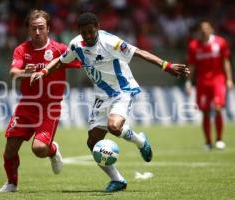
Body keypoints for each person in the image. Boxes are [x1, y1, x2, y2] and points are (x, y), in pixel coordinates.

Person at [30, 12, 189, 192]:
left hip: (122, 90)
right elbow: (61, 60)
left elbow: (139, 52)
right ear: (80, 32)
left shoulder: (110, 42)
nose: (89, 36)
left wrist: (166, 66)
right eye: (85, 33)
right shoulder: (75, 45)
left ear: (97, 28)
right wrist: (43, 72)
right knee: (92, 143)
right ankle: (118, 180)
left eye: (92, 31)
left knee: (114, 126)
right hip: (102, 96)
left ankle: (140, 142)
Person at [0, 9, 80, 193]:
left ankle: (52, 150)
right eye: (33, 28)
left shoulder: (60, 50)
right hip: (27, 105)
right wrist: (27, 71)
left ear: (48, 28)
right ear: (28, 29)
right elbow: (13, 73)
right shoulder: (22, 50)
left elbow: (82, 62)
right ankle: (11, 183)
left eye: (41, 28)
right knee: (10, 148)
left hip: (50, 107)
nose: (37, 32)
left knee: (39, 149)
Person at [186, 20, 234, 150]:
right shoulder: (194, 46)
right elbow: (192, 65)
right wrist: (189, 82)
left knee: (218, 108)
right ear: (199, 31)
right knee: (205, 111)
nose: (204, 31)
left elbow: (225, 62)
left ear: (211, 29)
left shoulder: (220, 42)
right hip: (202, 82)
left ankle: (219, 139)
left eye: (206, 28)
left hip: (218, 80)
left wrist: (229, 79)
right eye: (201, 29)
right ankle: (208, 142)